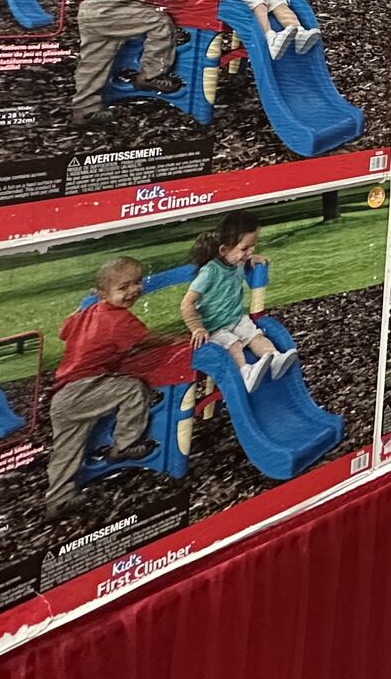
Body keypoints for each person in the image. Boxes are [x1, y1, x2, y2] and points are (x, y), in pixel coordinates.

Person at [46, 256, 176, 517]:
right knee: (132, 388)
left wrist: (86, 306)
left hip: (63, 396)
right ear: (104, 294)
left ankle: (57, 500)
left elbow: (64, 331)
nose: (133, 291)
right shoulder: (119, 319)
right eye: (123, 287)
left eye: (137, 283)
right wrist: (175, 340)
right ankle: (124, 445)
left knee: (67, 450)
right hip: (86, 386)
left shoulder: (87, 313)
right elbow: (147, 340)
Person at [181, 210, 291, 391]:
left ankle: (275, 359)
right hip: (214, 327)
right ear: (223, 250)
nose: (250, 251)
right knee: (234, 343)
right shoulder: (210, 271)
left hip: (236, 319)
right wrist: (197, 328)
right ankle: (245, 373)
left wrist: (251, 258)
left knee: (255, 336)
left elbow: (242, 259)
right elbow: (187, 303)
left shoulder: (236, 262)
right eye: (245, 248)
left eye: (253, 246)